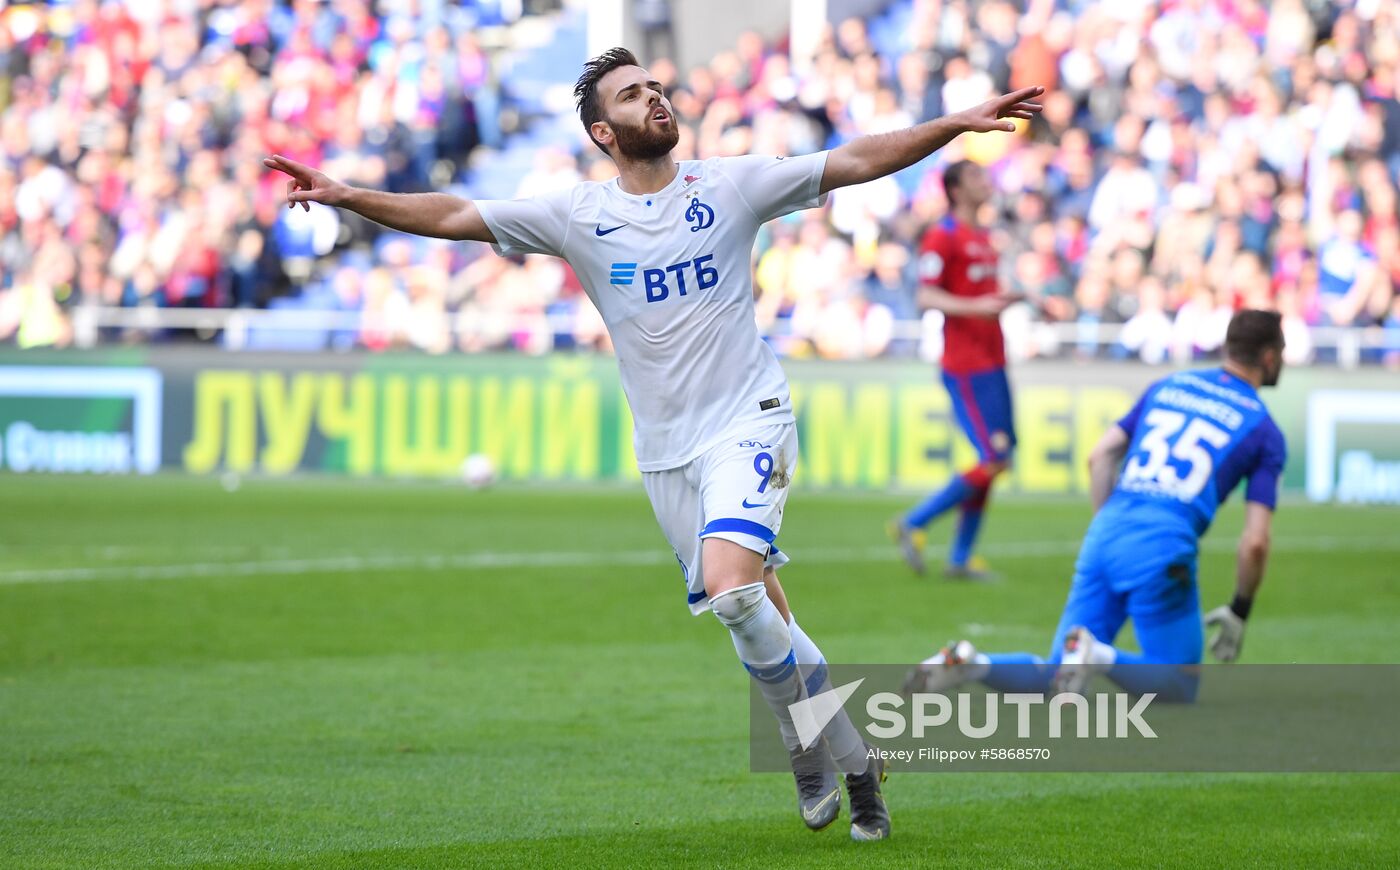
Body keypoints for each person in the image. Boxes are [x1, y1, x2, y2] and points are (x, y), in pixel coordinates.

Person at [265, 47, 1043, 841]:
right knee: (757, 611)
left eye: (656, 87)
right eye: (634, 96)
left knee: (736, 591)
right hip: (668, 451)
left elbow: (852, 160)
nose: (655, 99)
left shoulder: (730, 183)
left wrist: (950, 125)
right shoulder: (576, 214)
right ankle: (851, 757)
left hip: (751, 415)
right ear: (605, 131)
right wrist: (350, 194)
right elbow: (457, 216)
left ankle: (801, 745)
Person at [904, 309, 1287, 703]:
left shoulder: (1170, 385)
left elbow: (1100, 456)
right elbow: (1255, 541)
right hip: (1162, 543)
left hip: (1107, 530)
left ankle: (973, 663)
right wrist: (1240, 608)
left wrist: (1108, 525)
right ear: (1271, 357)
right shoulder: (1263, 428)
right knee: (1180, 682)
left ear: (1228, 347)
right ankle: (1098, 655)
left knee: (1056, 672)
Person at [889, 160, 1022, 578]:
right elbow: (926, 297)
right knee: (994, 458)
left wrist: (1022, 297)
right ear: (957, 190)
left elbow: (982, 293)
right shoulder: (942, 236)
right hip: (966, 365)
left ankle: (961, 558)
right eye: (977, 178)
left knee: (997, 458)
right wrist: (975, 307)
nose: (987, 183)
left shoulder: (981, 237)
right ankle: (914, 522)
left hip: (993, 360)